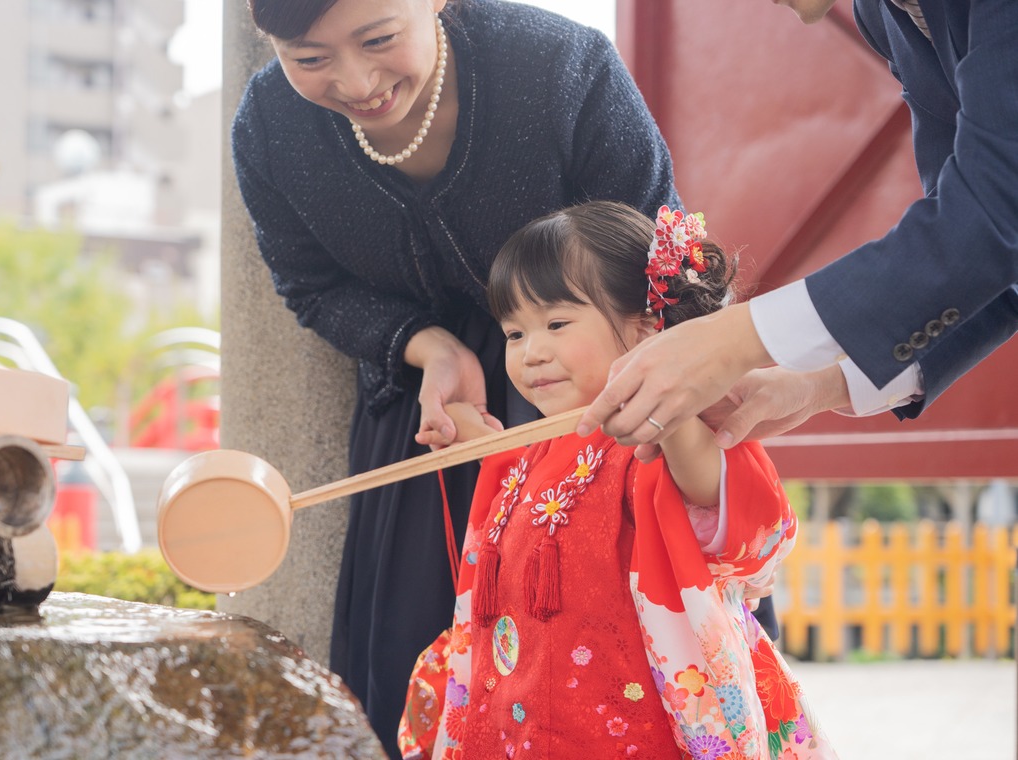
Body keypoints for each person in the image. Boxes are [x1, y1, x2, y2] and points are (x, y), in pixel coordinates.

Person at [232, 0, 685, 753]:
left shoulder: (558, 68)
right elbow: (310, 286)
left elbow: (657, 258)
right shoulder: (270, 128)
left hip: (591, 404)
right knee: (418, 659)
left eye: (377, 39)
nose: (356, 81)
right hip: (431, 424)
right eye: (310, 58)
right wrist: (422, 344)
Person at [398, 201, 835, 759]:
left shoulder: (667, 439)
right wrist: (469, 432)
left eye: (556, 324)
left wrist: (673, 410)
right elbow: (505, 467)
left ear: (648, 327)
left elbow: (719, 497)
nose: (532, 353)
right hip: (523, 715)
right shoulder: (530, 450)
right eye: (514, 334)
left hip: (632, 724)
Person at [576, 0, 1018, 453]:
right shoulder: (882, 13)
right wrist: (817, 385)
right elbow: (989, 261)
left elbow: (994, 209)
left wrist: (738, 338)